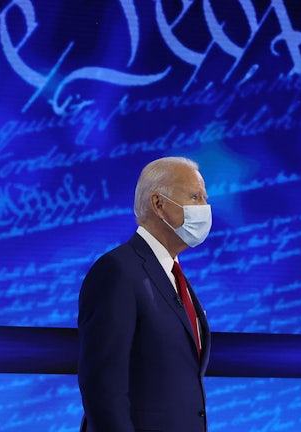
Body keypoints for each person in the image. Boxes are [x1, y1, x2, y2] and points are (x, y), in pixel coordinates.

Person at [77, 156, 212, 431]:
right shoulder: (117, 271)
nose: (205, 208)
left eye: (205, 198)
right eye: (195, 197)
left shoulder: (174, 275)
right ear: (159, 204)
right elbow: (103, 388)